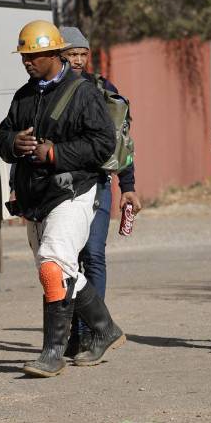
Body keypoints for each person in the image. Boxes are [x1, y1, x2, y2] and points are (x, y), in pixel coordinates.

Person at [0, 20, 125, 377]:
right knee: (58, 267)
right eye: (24, 56)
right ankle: (104, 328)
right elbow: (2, 136)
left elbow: (103, 144)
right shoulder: (24, 94)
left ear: (54, 54)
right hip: (35, 197)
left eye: (34, 56)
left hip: (74, 192)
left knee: (53, 265)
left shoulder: (83, 93)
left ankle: (52, 353)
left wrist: (56, 154)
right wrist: (13, 143)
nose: (27, 62)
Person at [57, 26, 141, 357]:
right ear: (59, 57)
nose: (77, 60)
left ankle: (94, 333)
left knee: (92, 254)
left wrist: (129, 186)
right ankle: (71, 336)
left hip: (99, 183)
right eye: (71, 54)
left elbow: (121, 141)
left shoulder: (103, 89)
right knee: (67, 259)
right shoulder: (48, 92)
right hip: (62, 186)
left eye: (82, 54)